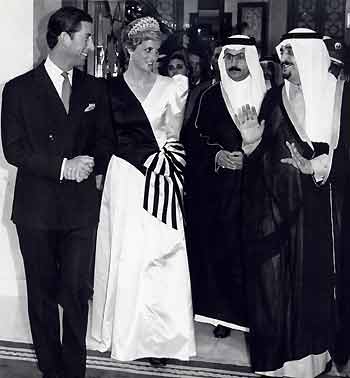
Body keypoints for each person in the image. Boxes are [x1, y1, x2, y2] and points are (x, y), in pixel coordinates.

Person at [1, 7, 114, 378]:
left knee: (77, 295)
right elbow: (13, 150)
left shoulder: (94, 87)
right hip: (36, 211)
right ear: (63, 37)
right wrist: (65, 166)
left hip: (81, 211)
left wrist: (94, 165)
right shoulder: (17, 90)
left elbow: (104, 139)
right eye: (85, 37)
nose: (90, 45)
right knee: (43, 297)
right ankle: (53, 371)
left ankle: (74, 371)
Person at [235, 28, 348, 377]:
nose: (284, 65)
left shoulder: (336, 100)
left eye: (291, 59)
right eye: (282, 59)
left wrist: (315, 166)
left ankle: (313, 360)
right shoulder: (272, 99)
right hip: (273, 211)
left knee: (312, 288)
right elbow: (260, 156)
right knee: (271, 287)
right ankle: (276, 363)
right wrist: (251, 143)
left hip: (320, 213)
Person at [91, 17, 196, 366]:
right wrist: (102, 173)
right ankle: (121, 332)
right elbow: (104, 136)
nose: (154, 57)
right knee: (125, 250)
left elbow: (174, 134)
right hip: (123, 177)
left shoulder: (172, 86)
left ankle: (158, 339)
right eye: (147, 50)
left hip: (158, 178)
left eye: (157, 51)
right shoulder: (110, 89)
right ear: (130, 50)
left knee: (159, 252)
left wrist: (164, 167)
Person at [185, 35, 266, 339]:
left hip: (258, 189)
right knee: (222, 250)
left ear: (251, 60)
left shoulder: (270, 97)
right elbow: (191, 138)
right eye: (228, 57)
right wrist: (218, 155)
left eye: (240, 56)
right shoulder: (210, 96)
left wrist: (252, 157)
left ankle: (254, 316)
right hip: (219, 191)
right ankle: (223, 316)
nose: (233, 62)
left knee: (254, 253)